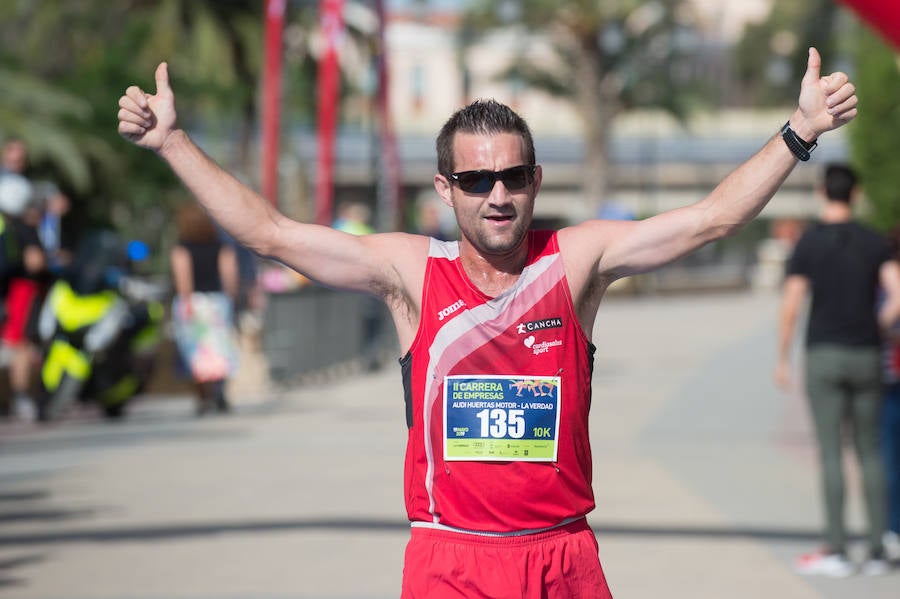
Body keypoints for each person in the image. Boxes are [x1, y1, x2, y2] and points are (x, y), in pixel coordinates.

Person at [118, 47, 857, 597]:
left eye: (513, 176)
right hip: (451, 558)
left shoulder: (575, 262)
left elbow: (710, 220)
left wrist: (799, 130)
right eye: (475, 180)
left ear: (535, 179)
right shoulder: (412, 272)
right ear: (446, 187)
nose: (496, 195)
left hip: (562, 556)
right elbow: (273, 234)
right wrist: (172, 143)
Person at [776, 164, 900, 577]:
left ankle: (839, 550)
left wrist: (782, 358)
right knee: (870, 452)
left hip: (824, 355)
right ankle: (880, 551)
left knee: (831, 452)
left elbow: (792, 304)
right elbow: (897, 295)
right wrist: (878, 324)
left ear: (820, 192)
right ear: (856, 193)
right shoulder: (872, 241)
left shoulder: (809, 243)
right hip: (867, 353)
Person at [170, 203, 239, 415]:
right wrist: (231, 299)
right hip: (217, 302)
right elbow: (229, 276)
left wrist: (187, 303)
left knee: (196, 351)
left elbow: (184, 279)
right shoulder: (221, 246)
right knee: (220, 348)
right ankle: (220, 392)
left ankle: (202, 396)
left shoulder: (182, 248)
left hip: (193, 302)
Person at [881, 224, 900, 562]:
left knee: (890, 458)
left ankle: (892, 531)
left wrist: (878, 327)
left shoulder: (887, 275)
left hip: (891, 375)